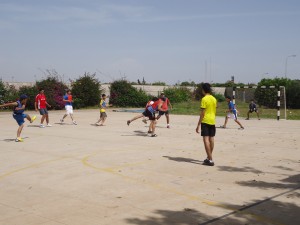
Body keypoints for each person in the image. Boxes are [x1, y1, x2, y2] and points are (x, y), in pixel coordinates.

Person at [196, 83, 217, 166]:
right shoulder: (214, 99)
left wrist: (198, 124)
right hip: (212, 120)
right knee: (211, 139)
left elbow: (202, 113)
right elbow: (215, 110)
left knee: (206, 139)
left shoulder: (204, 99)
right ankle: (209, 157)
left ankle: (210, 159)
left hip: (205, 121)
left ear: (204, 90)